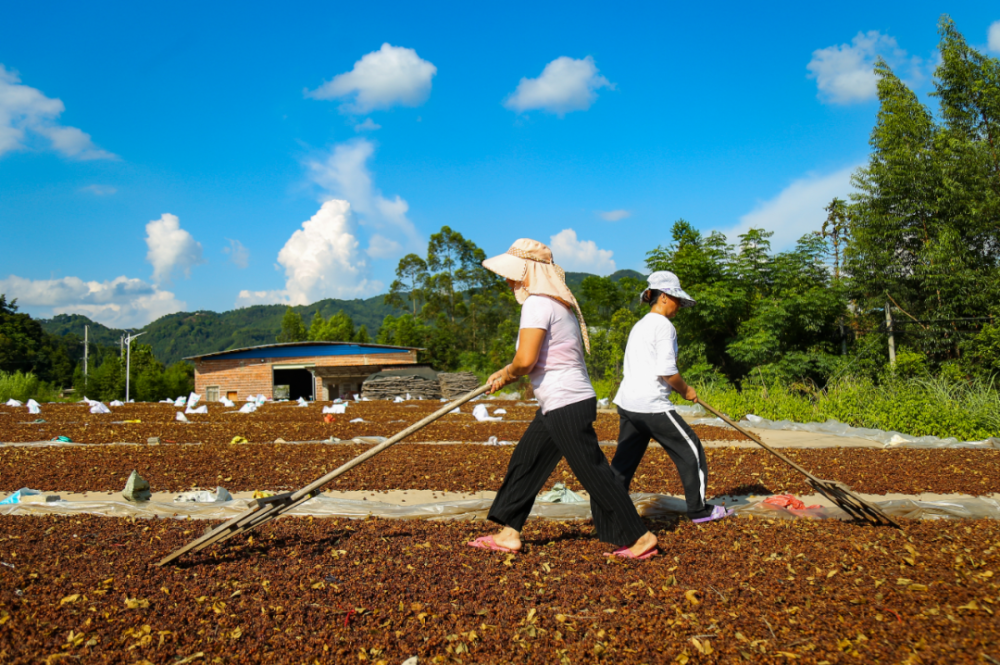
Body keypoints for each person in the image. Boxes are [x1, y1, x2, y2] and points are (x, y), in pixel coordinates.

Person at [467, 239, 659, 559]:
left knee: (593, 471)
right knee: (526, 461)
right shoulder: (558, 305)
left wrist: (508, 373)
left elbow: (526, 361)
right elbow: (534, 359)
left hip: (565, 402)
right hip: (559, 402)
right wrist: (505, 371)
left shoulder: (538, 304)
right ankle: (509, 532)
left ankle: (639, 537)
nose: (508, 280)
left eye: (513, 273)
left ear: (529, 271)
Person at [610, 271, 733, 523]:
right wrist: (686, 390)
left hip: (628, 403)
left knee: (623, 463)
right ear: (664, 297)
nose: (679, 306)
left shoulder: (641, 324)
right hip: (651, 404)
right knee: (691, 451)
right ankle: (699, 510)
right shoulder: (664, 326)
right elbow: (666, 371)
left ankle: (610, 510)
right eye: (677, 299)